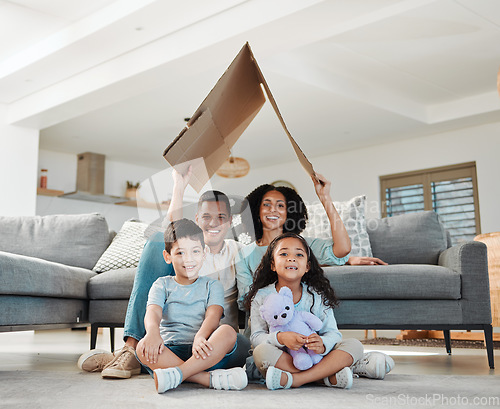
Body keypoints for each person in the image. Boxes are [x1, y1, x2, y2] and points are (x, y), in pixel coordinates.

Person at [78, 167, 250, 378]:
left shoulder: (238, 251)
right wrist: (179, 185)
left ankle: (142, 362)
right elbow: (171, 231)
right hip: (175, 341)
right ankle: (134, 350)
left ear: (230, 221)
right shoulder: (186, 253)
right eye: (206, 216)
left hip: (212, 346)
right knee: (158, 240)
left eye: (221, 217)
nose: (213, 222)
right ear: (196, 219)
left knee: (239, 342)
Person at [244, 233, 386, 390]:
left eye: (299, 254)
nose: (291, 258)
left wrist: (323, 345)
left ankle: (296, 380)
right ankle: (324, 376)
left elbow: (333, 333)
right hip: (282, 358)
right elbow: (256, 337)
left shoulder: (316, 296)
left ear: (307, 266)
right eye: (284, 254)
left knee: (355, 346)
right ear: (272, 265)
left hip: (314, 356)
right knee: (260, 352)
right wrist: (281, 338)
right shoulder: (262, 296)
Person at [235, 172, 385, 310]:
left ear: (289, 213)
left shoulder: (302, 245)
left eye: (280, 205)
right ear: (256, 210)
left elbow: (342, 249)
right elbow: (244, 301)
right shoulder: (244, 255)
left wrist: (325, 198)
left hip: (303, 323)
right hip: (263, 327)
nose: (273, 209)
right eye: (266, 204)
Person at [135, 219, 247, 393]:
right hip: (171, 351)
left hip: (205, 350)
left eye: (195, 251)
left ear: (204, 253)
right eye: (180, 253)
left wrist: (200, 336)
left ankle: (177, 374)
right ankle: (207, 379)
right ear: (167, 256)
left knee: (228, 332)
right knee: (141, 348)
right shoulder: (161, 284)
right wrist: (152, 333)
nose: (188, 259)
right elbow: (153, 311)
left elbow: (213, 315)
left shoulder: (212, 285)